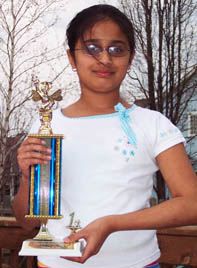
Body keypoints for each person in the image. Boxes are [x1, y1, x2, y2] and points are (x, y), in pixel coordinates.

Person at [13, 4, 197, 268]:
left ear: (130, 58)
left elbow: (192, 204)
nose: (104, 59)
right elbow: (26, 222)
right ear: (71, 58)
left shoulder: (153, 124)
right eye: (91, 48)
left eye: (116, 49)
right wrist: (26, 177)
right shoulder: (47, 126)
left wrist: (112, 223)